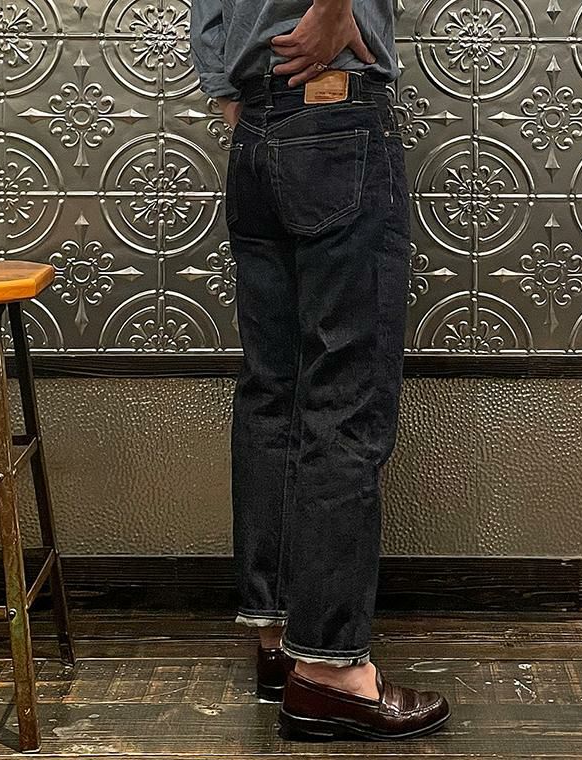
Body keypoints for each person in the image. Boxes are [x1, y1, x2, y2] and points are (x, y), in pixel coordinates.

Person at [190, 0, 450, 741]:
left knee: (274, 390)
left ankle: (280, 639)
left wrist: (230, 91)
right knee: (344, 395)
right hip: (336, 115)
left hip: (258, 127)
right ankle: (332, 672)